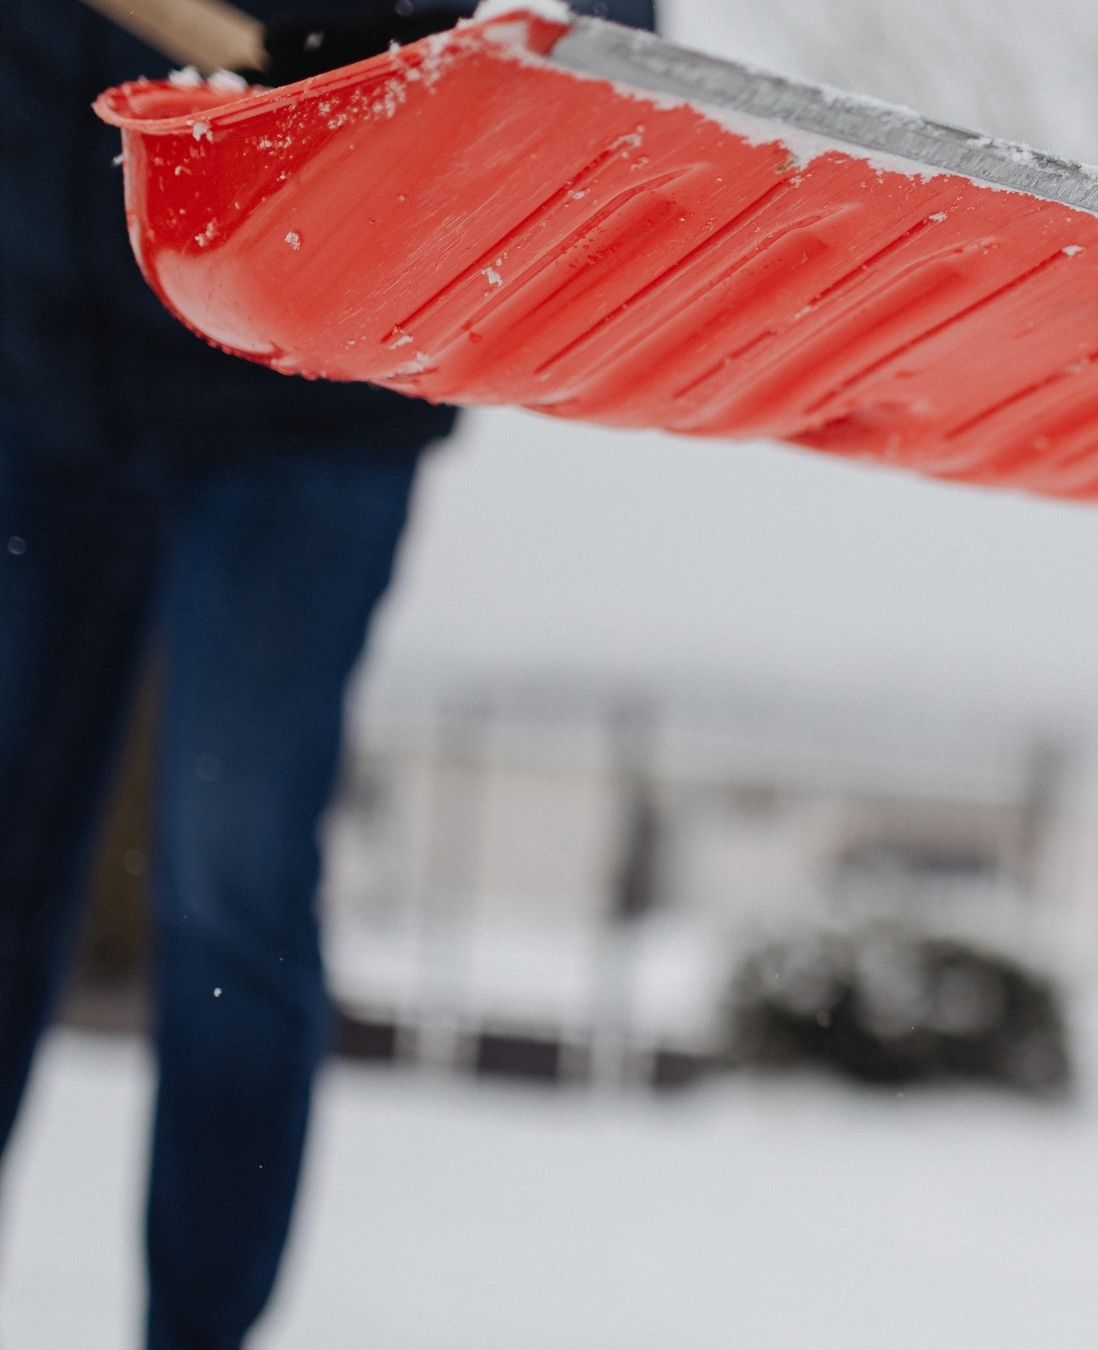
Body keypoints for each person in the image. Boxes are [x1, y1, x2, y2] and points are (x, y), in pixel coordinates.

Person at [0, 3, 649, 1346]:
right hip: (40, 360)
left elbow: (595, 37)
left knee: (228, 879)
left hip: (310, 386)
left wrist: (359, 31)